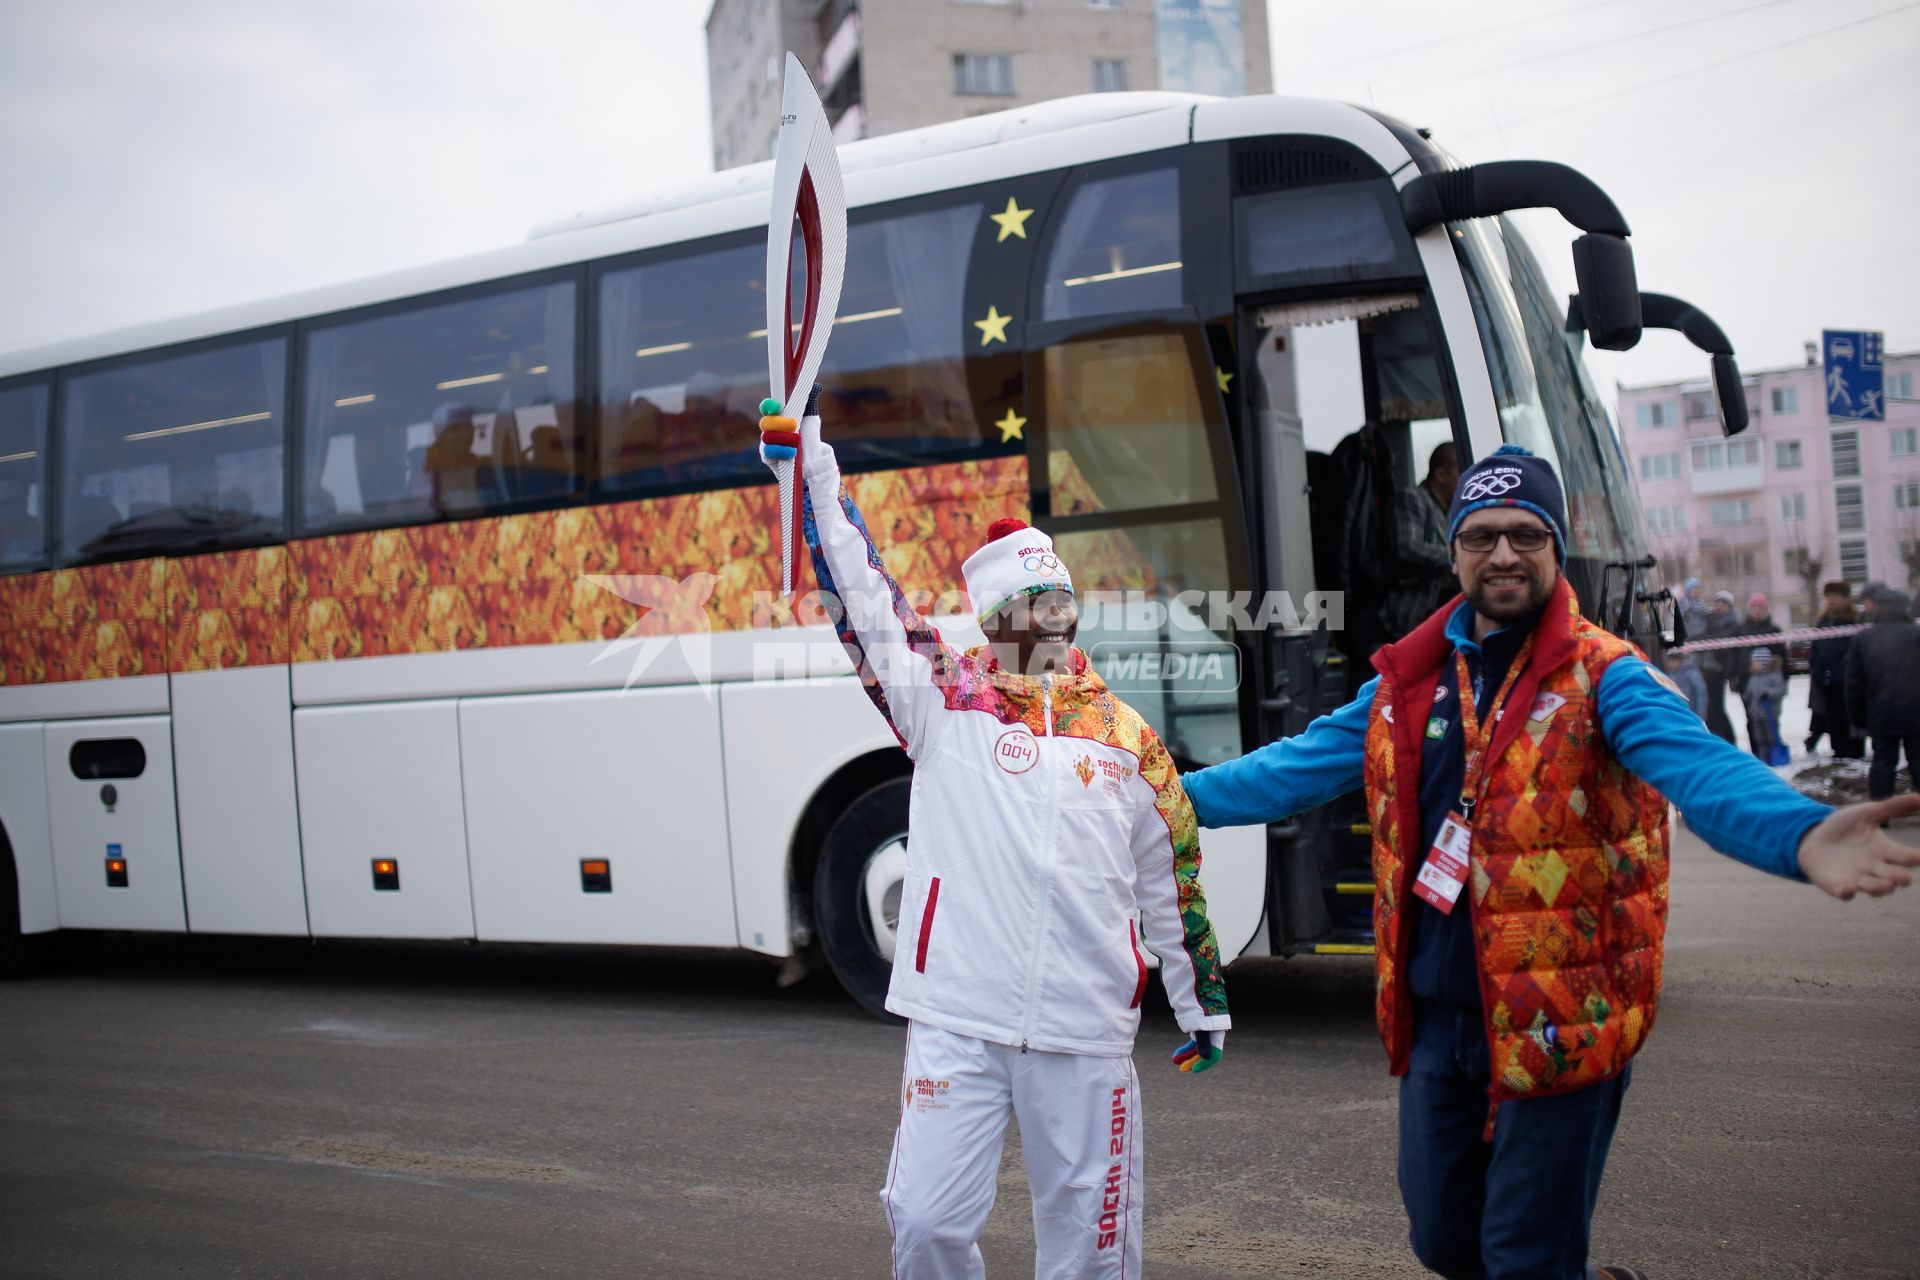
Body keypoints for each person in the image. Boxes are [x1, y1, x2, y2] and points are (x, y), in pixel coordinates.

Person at [1178, 444, 1920, 1280]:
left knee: (1522, 1257)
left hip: (1563, 1017)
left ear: (1555, 551)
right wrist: (1164, 797)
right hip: (1438, 1022)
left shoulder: (1608, 677)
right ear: (1453, 550)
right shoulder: (1408, 684)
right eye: (1483, 534)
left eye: (1526, 535)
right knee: (1445, 1242)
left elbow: (1698, 764)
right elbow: (1291, 768)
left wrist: (1796, 831)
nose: (1503, 554)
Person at [774, 401, 1231, 1279]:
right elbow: (865, 599)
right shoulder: (942, 702)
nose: (1053, 621)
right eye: (1030, 606)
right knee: (925, 1222)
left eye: (1060, 600)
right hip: (959, 1015)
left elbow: (1173, 879)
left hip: (1085, 1031)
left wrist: (1198, 998)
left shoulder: (1127, 739)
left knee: (1091, 1251)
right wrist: (812, 476)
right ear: (992, 622)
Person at [1846, 587, 1920, 800]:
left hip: (1881, 712)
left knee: (1883, 762)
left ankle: (1880, 813)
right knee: (1918, 759)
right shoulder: (1916, 635)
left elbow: (1854, 684)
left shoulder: (1864, 639)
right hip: (1916, 709)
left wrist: (1858, 717)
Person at [1384, 441, 1462, 640]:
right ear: (1441, 475)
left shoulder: (1451, 511)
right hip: (1412, 614)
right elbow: (1408, 547)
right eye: (1461, 475)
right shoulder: (1413, 498)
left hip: (1441, 612)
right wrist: (1458, 554)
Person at [1807, 580, 1862, 759]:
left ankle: (1854, 752)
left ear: (1845, 598)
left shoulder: (1854, 621)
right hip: (1827, 681)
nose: (1831, 600)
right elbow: (1816, 650)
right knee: (1833, 719)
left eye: (1835, 596)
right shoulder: (1823, 622)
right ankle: (1838, 752)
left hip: (1849, 681)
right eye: (1828, 596)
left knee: (1851, 719)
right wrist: (1817, 671)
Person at [1728, 592, 1787, 757]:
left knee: (1770, 718)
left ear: (1766, 609)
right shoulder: (1739, 631)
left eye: (1760, 607)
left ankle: (1773, 750)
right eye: (1754, 607)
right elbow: (1733, 656)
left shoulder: (1774, 630)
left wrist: (1776, 672)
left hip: (1770, 682)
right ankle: (1757, 752)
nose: (1757, 611)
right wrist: (1734, 676)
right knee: (1751, 718)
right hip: (1747, 683)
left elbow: (1782, 657)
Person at [1698, 590, 1741, 743]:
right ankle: (1716, 738)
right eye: (1718, 603)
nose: (1720, 606)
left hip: (1722, 671)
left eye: (1724, 603)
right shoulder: (1709, 621)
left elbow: (1725, 645)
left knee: (1718, 708)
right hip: (1707, 670)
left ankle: (1728, 740)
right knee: (1709, 708)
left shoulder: (1734, 624)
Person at [1743, 645, 1789, 766]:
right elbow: (1749, 691)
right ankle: (1763, 760)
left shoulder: (1774, 674)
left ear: (1764, 662)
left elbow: (1782, 689)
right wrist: (1747, 694)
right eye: (1753, 662)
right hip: (1756, 713)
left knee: (1770, 737)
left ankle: (1774, 757)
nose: (1753, 664)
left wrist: (1768, 693)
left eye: (1756, 662)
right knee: (1759, 738)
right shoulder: (1754, 677)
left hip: (1770, 713)